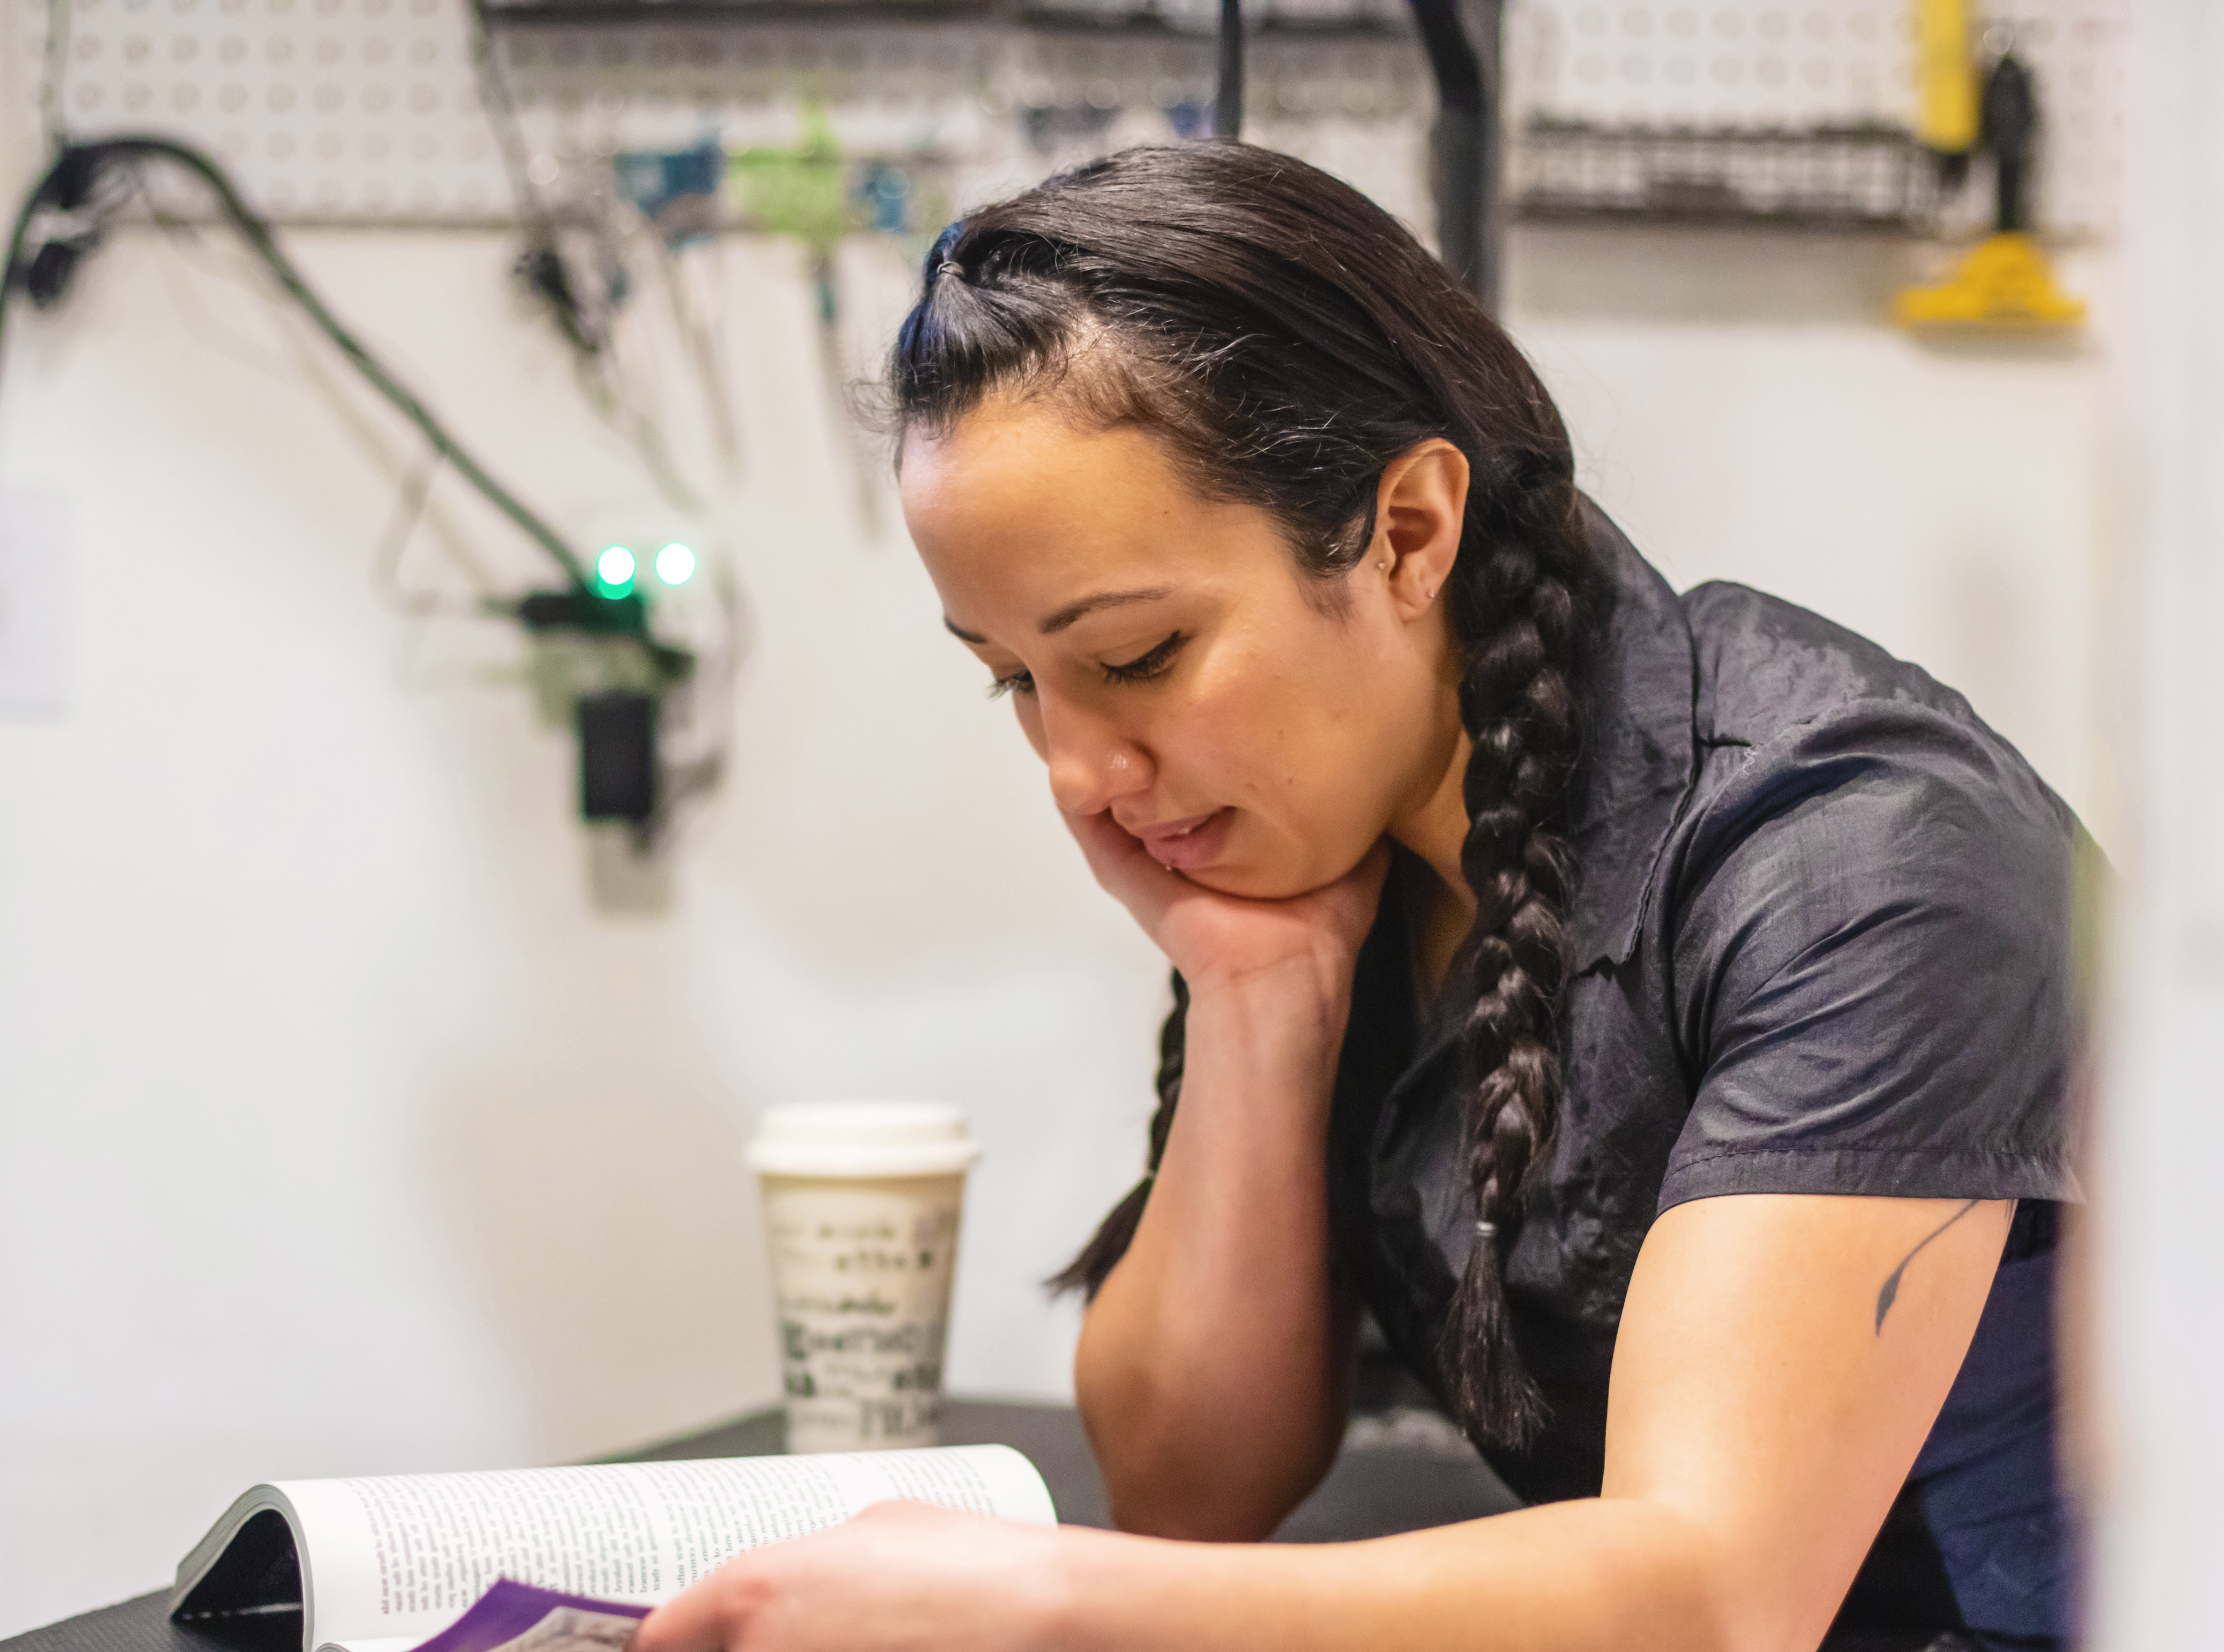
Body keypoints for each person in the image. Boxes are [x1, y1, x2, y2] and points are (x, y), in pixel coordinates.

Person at [629, 144, 2081, 1652]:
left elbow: (1714, 1599)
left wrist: (1040, 1601)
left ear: (1405, 533)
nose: (1076, 770)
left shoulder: (1855, 861)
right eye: (1012, 680)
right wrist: (1260, 998)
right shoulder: (1332, 846)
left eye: (1131, 657)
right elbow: (1189, 1487)